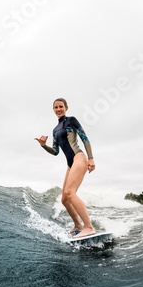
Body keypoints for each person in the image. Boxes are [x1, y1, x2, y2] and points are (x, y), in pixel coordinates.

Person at [35, 98, 96, 238]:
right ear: (53, 109)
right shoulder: (55, 130)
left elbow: (84, 138)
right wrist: (43, 145)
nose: (58, 109)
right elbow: (55, 152)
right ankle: (78, 226)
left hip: (78, 157)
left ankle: (89, 227)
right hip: (70, 163)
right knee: (64, 199)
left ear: (66, 108)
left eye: (61, 106)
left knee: (70, 192)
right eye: (56, 107)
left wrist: (91, 158)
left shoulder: (71, 121)